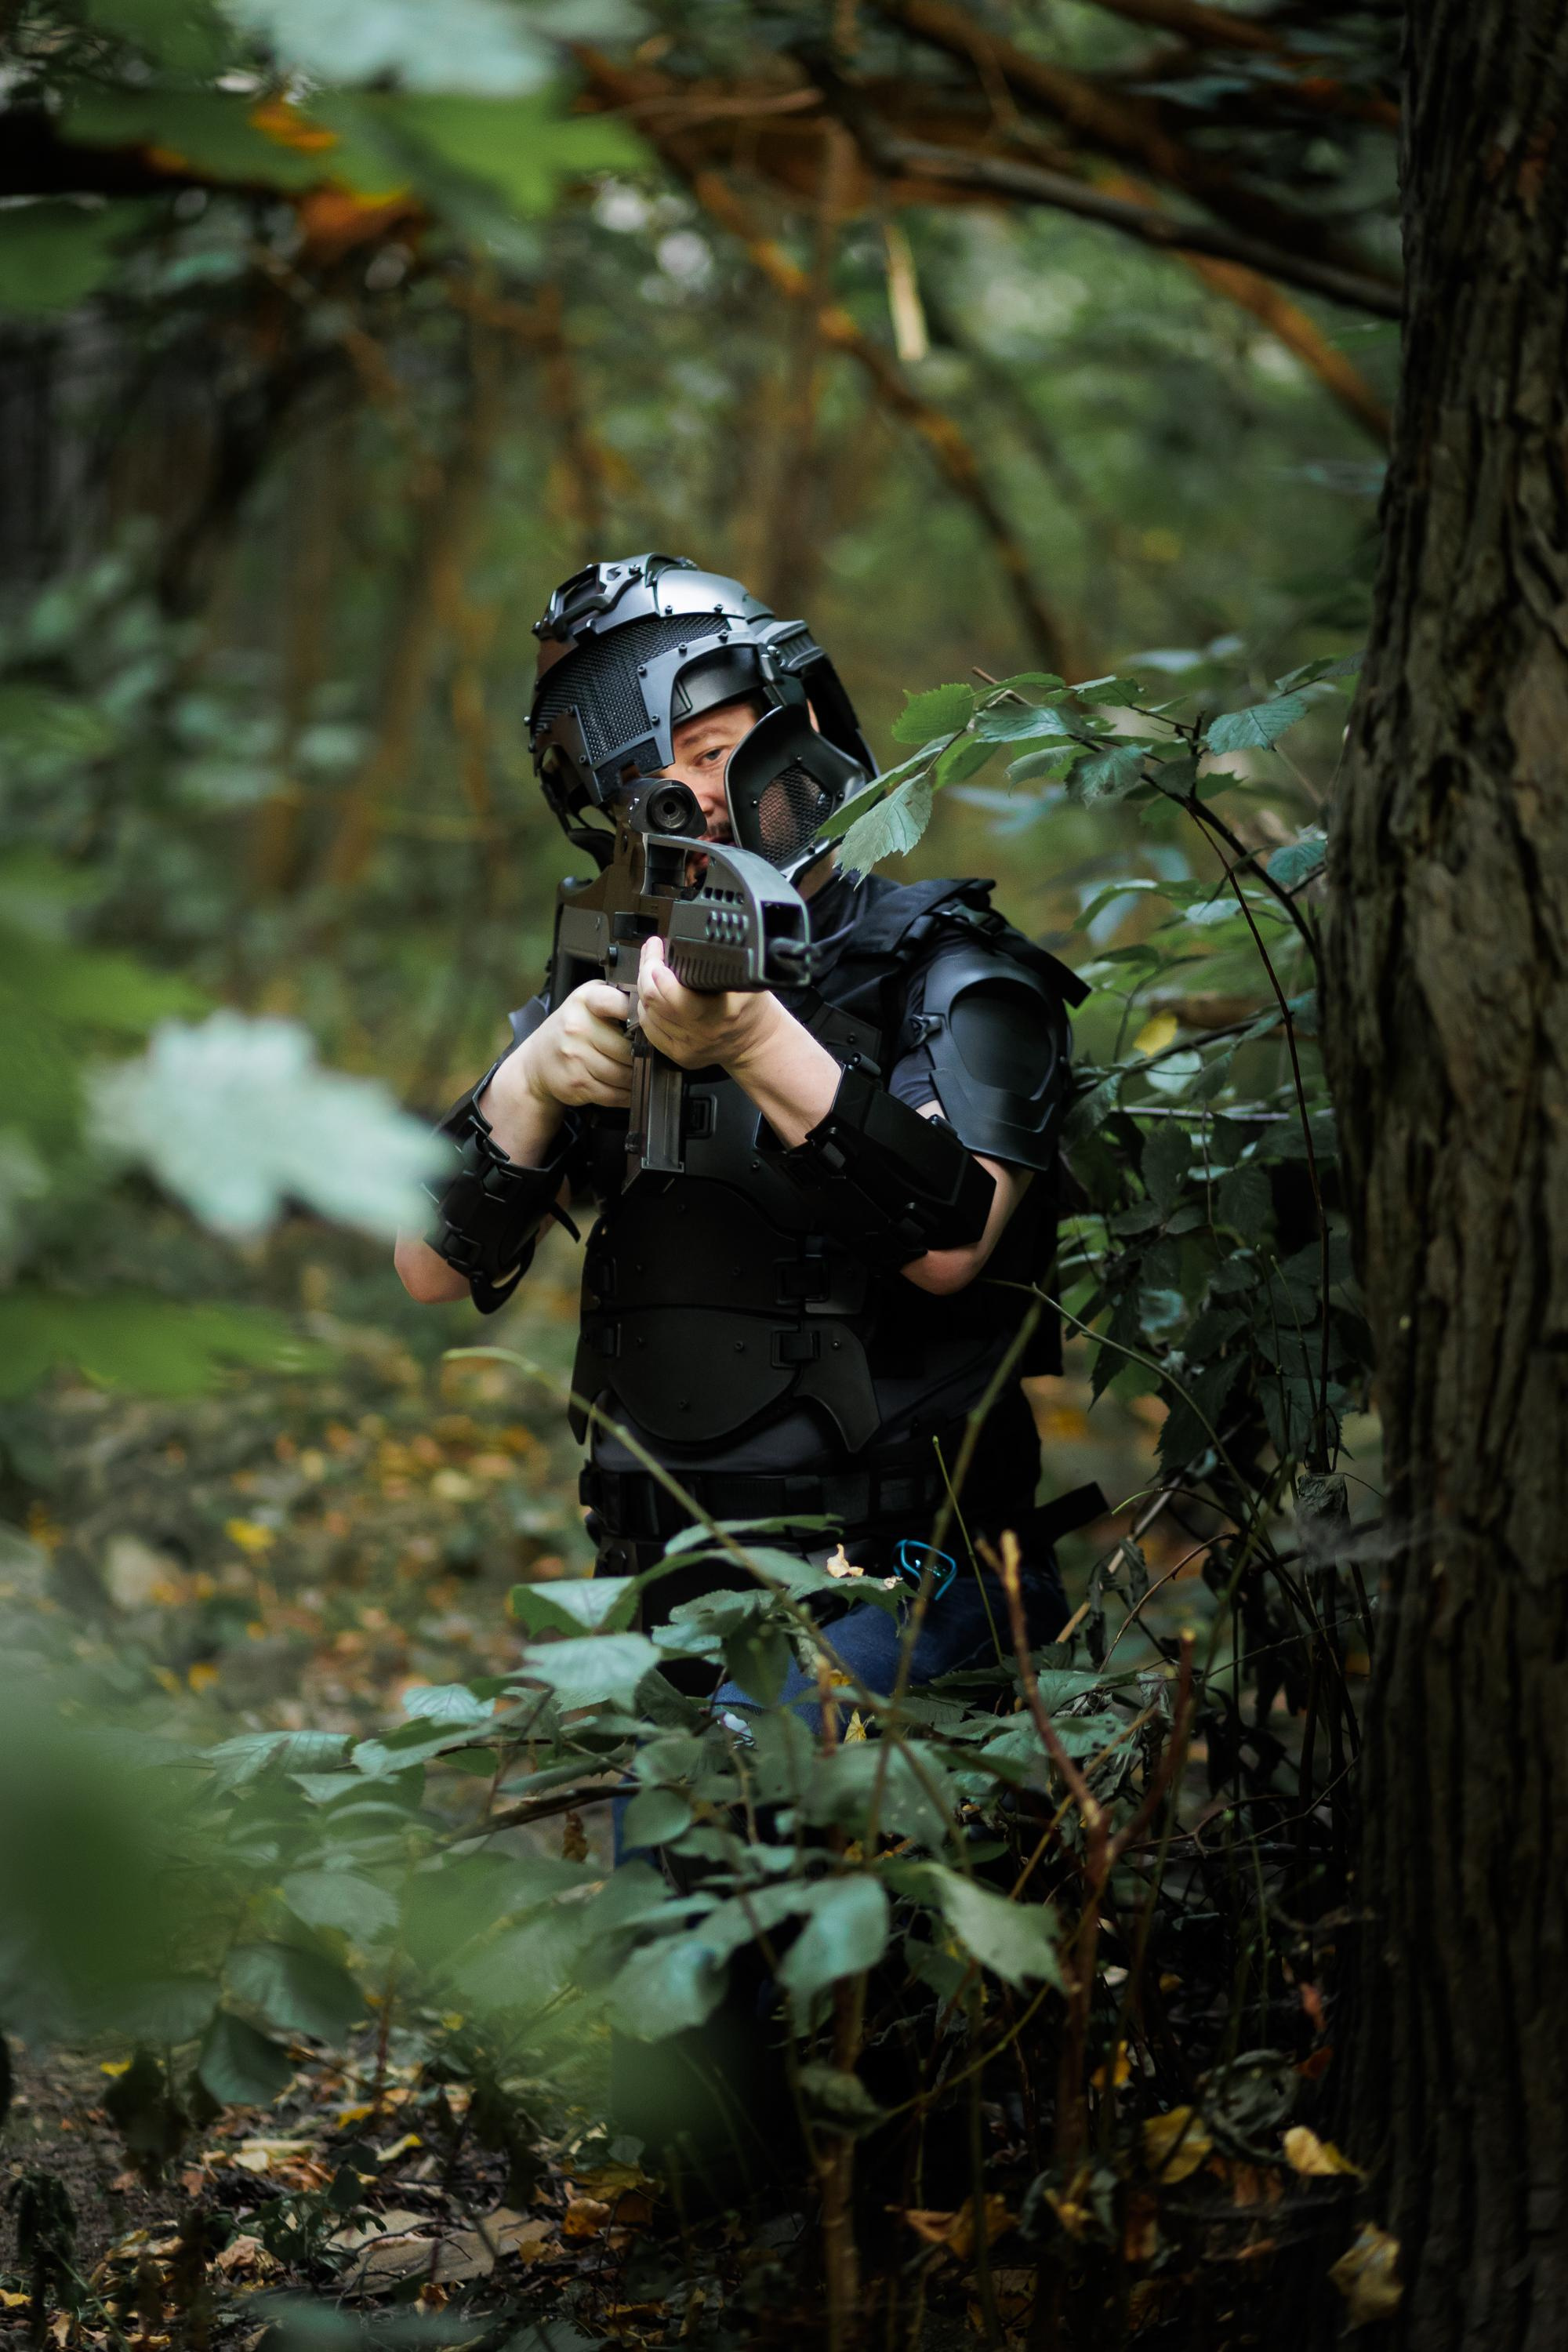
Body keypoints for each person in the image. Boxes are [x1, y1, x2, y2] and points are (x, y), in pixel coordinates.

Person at [394, 552, 1101, 1713]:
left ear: (803, 722)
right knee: (673, 1884)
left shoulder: (951, 969)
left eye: (721, 750)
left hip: (904, 1578)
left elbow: (955, 1240)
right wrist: (532, 1078)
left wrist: (753, 1046)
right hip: (660, 1592)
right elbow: (424, 1265)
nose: (703, 797)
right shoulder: (612, 973)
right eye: (661, 774)